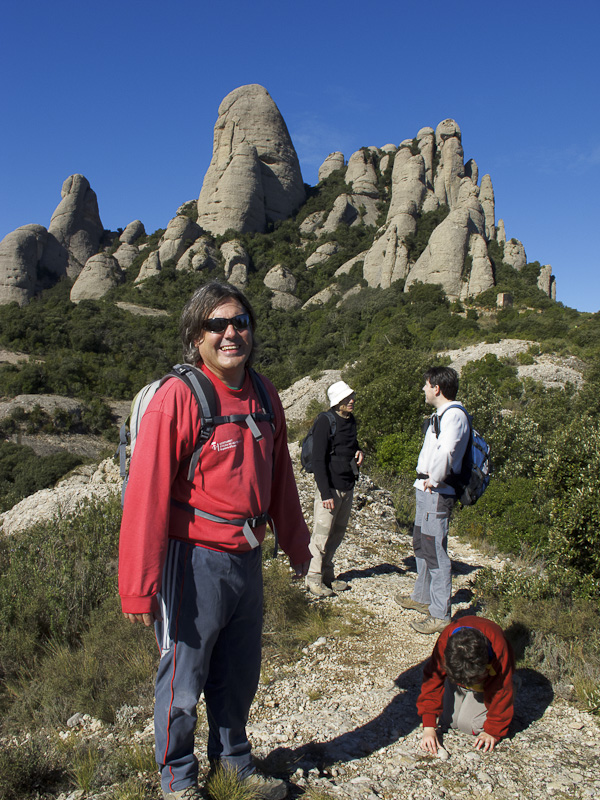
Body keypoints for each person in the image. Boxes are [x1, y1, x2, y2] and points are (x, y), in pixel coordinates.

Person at [118, 282, 310, 800]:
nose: (231, 332)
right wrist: (138, 585)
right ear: (196, 337)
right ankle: (178, 781)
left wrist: (296, 541)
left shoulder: (266, 393)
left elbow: (280, 475)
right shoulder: (177, 398)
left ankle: (233, 766)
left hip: (247, 558)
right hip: (193, 559)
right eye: (216, 324)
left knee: (239, 672)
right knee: (183, 679)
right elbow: (147, 495)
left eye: (240, 322)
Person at [395, 366, 470, 634]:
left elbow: (448, 450)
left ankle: (440, 614)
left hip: (436, 492)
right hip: (427, 488)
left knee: (435, 551)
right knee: (422, 544)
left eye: (426, 385)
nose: (423, 390)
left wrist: (434, 479)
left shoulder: (454, 416)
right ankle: (422, 597)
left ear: (436, 388)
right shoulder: (442, 415)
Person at [417, 616, 515, 753]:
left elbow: (501, 690)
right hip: (458, 683)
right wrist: (428, 727)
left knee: (468, 725)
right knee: (449, 721)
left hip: (486, 686)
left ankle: (515, 683)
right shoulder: (446, 641)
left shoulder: (497, 646)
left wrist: (493, 731)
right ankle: (466, 689)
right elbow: (433, 678)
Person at [306, 381, 364, 598]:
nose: (352, 401)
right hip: (330, 487)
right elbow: (319, 460)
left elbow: (351, 444)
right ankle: (313, 577)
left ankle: (327, 575)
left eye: (352, 396)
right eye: (347, 398)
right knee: (321, 535)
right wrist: (325, 493)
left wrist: (360, 451)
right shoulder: (325, 421)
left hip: (347, 485)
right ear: (336, 401)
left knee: (336, 534)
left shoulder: (350, 420)